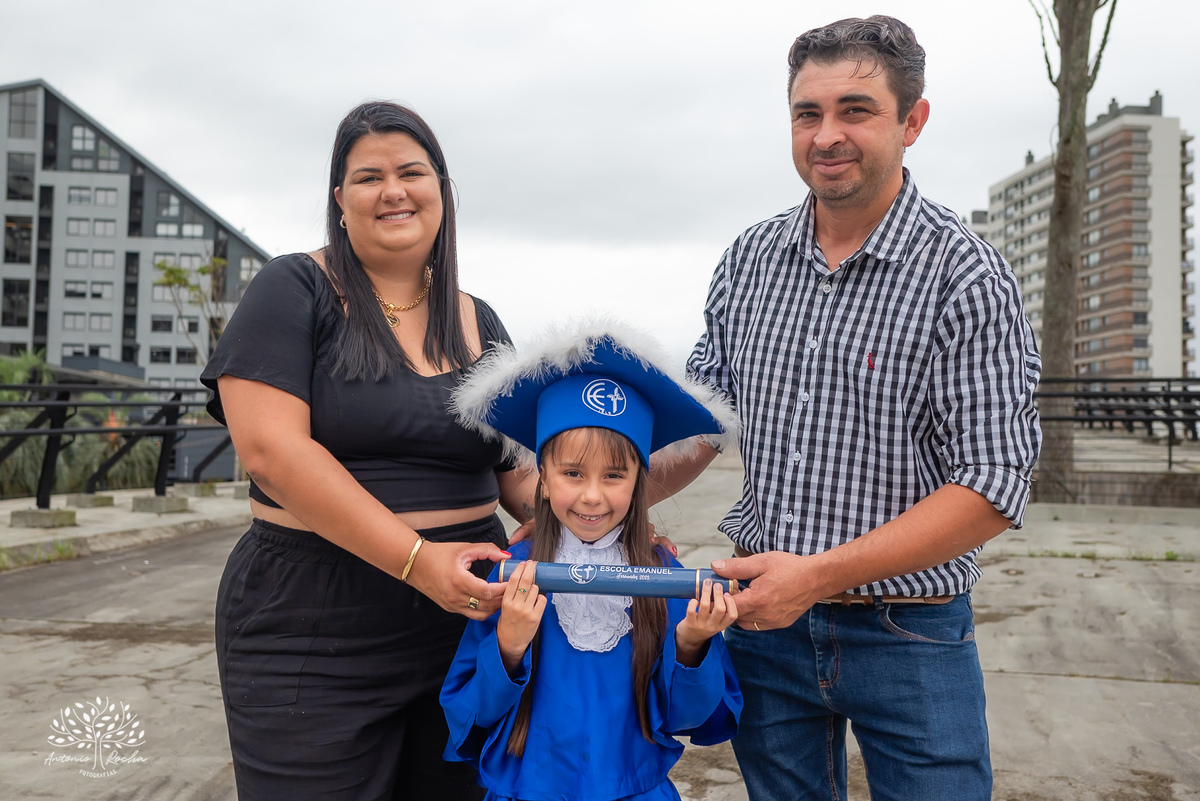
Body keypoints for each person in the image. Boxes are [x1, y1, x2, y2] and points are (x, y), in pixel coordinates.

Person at [664, 15, 1042, 801]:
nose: (826, 134)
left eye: (855, 110)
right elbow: (702, 419)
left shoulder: (966, 277)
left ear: (913, 121)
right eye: (808, 113)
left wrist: (815, 576)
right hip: (762, 625)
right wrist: (581, 508)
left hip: (911, 629)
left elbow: (992, 484)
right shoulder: (749, 260)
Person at [199, 101, 537, 800]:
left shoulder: (480, 320)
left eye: (411, 172)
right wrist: (417, 561)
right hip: (312, 621)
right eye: (368, 177)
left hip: (466, 622)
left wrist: (611, 513)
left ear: (441, 190)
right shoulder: (294, 288)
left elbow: (520, 478)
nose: (393, 191)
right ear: (339, 200)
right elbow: (270, 451)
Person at [439, 322, 743, 800]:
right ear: (542, 476)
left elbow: (690, 718)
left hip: (635, 789)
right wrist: (508, 646)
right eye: (573, 473)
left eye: (615, 475)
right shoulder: (512, 573)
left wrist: (692, 644)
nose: (593, 496)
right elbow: (471, 716)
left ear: (640, 481)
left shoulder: (664, 577)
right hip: (530, 789)